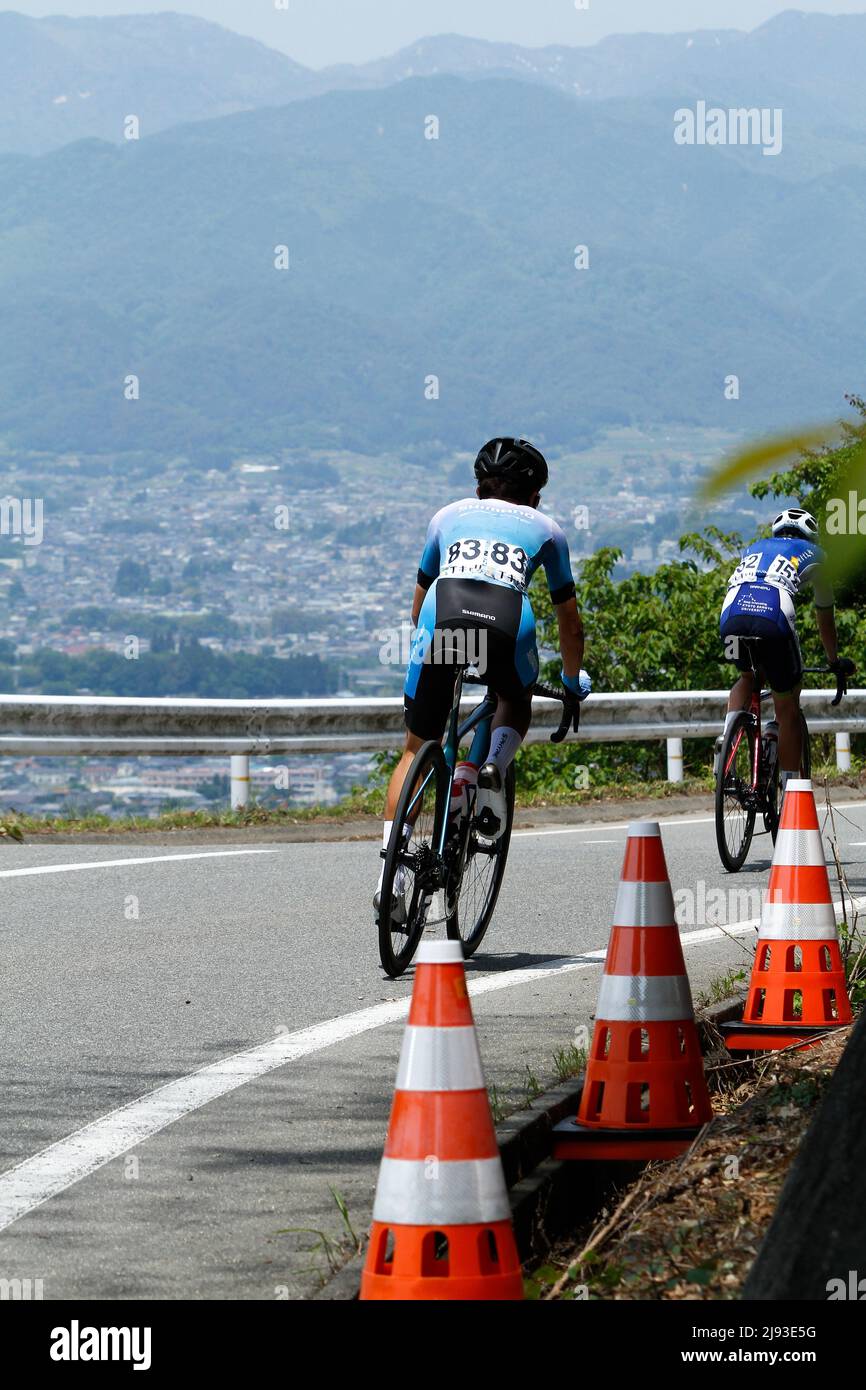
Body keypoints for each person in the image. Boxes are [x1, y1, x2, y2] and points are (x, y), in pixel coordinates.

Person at [375, 437, 591, 916]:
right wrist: (572, 681)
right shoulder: (548, 530)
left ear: (477, 487)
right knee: (514, 699)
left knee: (415, 749)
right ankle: (487, 767)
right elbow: (570, 624)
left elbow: (417, 609)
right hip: (508, 620)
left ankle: (389, 877)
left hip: (443, 612)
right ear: (534, 496)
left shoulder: (445, 516)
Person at [719, 507, 854, 792]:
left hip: (732, 611)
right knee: (787, 704)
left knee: (747, 677)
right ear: (812, 536)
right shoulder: (817, 555)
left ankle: (726, 743)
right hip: (772, 612)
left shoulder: (754, 548)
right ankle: (791, 789)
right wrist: (833, 660)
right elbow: (824, 615)